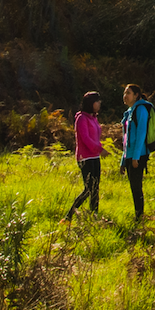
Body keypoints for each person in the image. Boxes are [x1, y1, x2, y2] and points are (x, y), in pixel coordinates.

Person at [116, 84, 153, 222]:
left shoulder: (141, 110)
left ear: (136, 95)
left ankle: (139, 216)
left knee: (137, 186)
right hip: (130, 155)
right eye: (124, 93)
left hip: (139, 154)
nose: (125, 96)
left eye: (128, 93)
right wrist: (123, 160)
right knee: (133, 186)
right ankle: (138, 215)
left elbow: (141, 134)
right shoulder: (129, 111)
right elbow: (127, 138)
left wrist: (136, 157)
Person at [65, 91, 103, 222]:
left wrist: (99, 149)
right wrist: (100, 149)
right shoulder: (81, 118)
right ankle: (69, 216)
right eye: (97, 101)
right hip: (85, 157)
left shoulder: (94, 118)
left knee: (95, 188)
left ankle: (94, 215)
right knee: (88, 189)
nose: (99, 103)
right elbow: (85, 139)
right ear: (91, 103)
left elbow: (96, 137)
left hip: (95, 157)